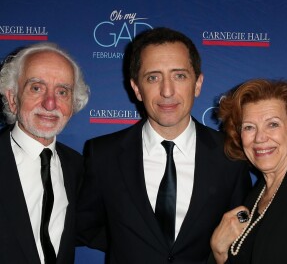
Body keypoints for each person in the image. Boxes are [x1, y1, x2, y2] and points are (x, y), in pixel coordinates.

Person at [77, 27, 251, 264]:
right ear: (137, 88)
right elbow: (86, 225)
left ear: (198, 84)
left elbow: (241, 235)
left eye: (179, 76)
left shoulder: (230, 154)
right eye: (153, 77)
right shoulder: (103, 154)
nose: (167, 91)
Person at [0, 42, 89, 264]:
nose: (50, 104)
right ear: (12, 99)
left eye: (62, 92)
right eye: (36, 88)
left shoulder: (78, 167)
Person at [209, 79, 287, 264]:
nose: (259, 138)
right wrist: (219, 252)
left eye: (272, 124)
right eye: (249, 127)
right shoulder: (255, 195)